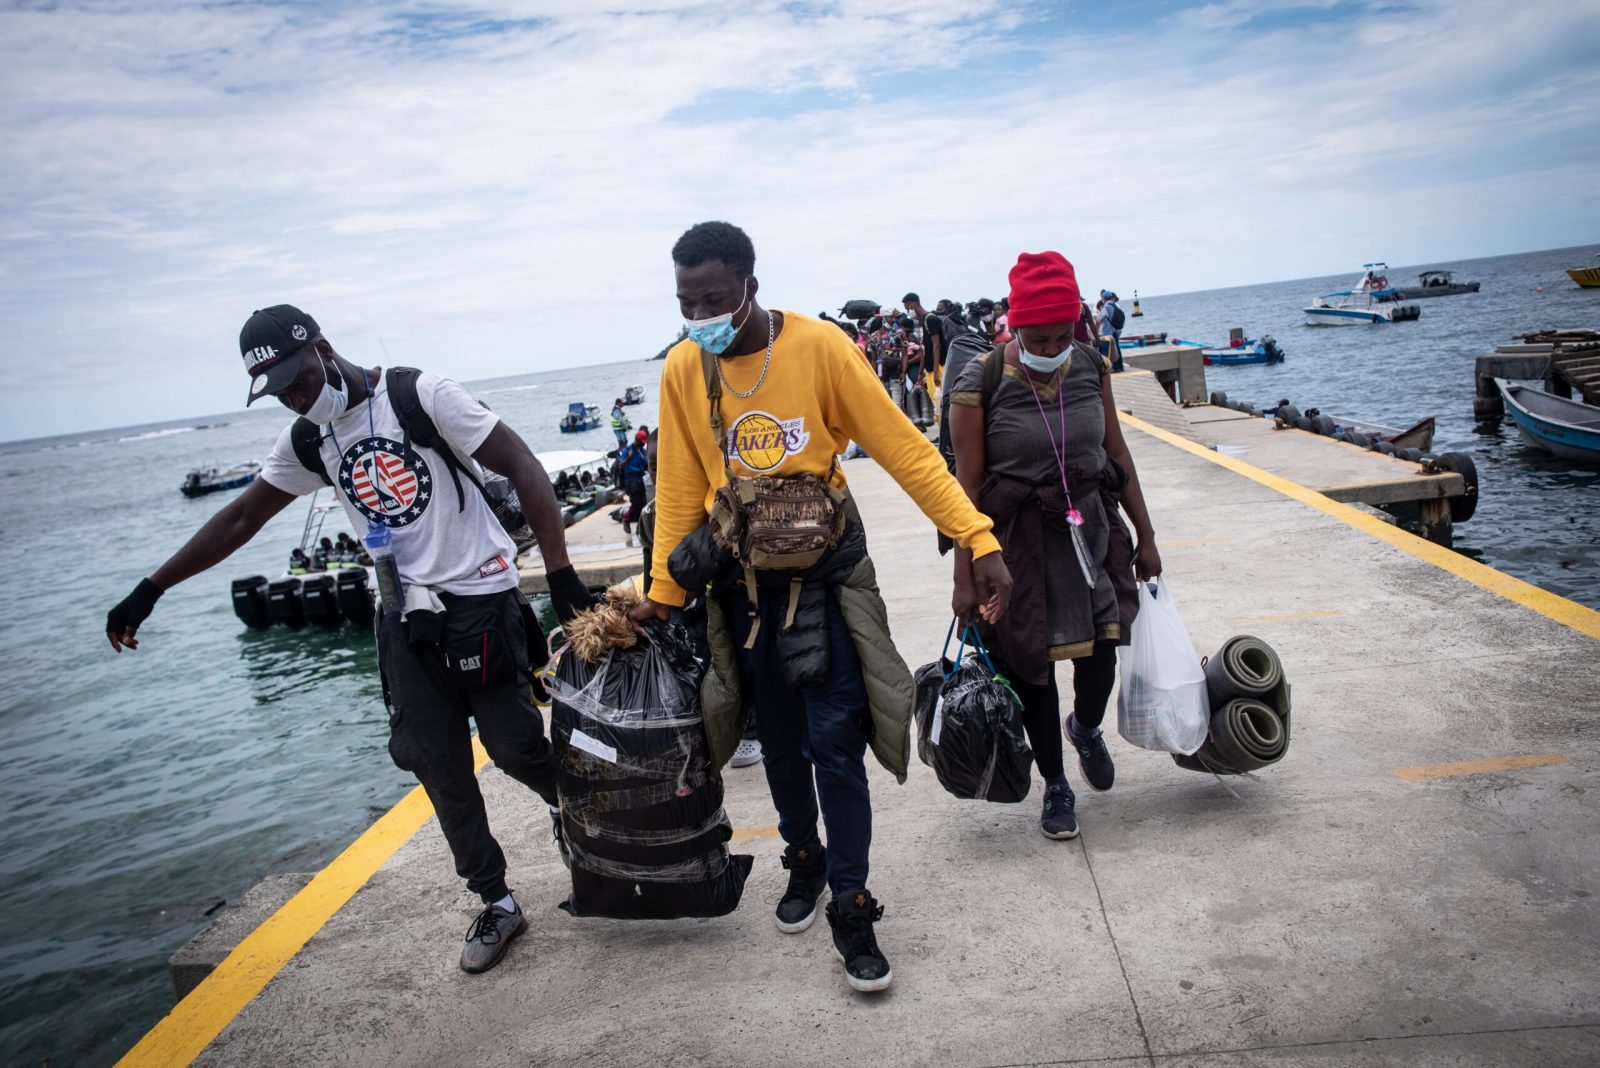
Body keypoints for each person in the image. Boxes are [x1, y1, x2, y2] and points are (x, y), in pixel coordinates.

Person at [103, 304, 594, 974]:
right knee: (436, 765)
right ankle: (496, 901)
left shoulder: (420, 396)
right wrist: (152, 587)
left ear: (324, 350)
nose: (296, 398)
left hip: (480, 599)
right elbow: (243, 515)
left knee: (515, 749)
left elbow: (525, 466)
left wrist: (560, 575)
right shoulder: (309, 438)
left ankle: (580, 818)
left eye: (299, 380)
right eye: (279, 394)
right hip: (401, 616)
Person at [632, 221, 1012, 993]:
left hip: (827, 589)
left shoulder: (819, 349)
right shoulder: (683, 371)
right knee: (775, 745)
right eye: (685, 300)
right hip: (740, 597)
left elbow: (905, 449)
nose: (699, 313)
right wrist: (661, 599)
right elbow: (677, 494)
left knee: (835, 748)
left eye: (713, 298)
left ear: (751, 287)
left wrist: (975, 535)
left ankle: (852, 903)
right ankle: (801, 862)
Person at [949, 253, 1161, 840]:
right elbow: (964, 491)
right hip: (1015, 545)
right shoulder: (978, 385)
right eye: (1036, 338)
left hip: (1092, 529)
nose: (1050, 347)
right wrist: (965, 577)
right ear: (1013, 327)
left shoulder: (1091, 364)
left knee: (1102, 656)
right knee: (1030, 668)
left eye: (1060, 335)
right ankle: (1056, 785)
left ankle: (1085, 728)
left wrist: (1146, 535)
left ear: (1078, 327)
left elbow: (1117, 453)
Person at [619, 427, 650, 536]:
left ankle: (639, 528)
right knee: (636, 503)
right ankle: (627, 519)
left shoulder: (642, 451)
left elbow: (646, 465)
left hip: (640, 479)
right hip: (631, 479)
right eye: (642, 442)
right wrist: (629, 457)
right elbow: (621, 464)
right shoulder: (627, 450)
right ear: (637, 440)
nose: (643, 444)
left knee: (644, 503)